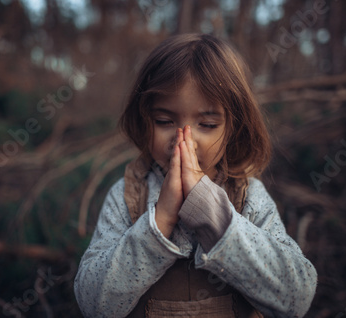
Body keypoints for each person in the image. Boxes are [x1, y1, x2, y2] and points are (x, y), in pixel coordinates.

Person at [74, 33, 317, 318]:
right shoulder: (127, 196)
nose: (183, 141)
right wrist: (160, 220)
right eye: (164, 121)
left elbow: (296, 298)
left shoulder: (248, 196)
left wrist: (212, 214)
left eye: (207, 124)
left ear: (232, 129)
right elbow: (93, 304)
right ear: (144, 120)